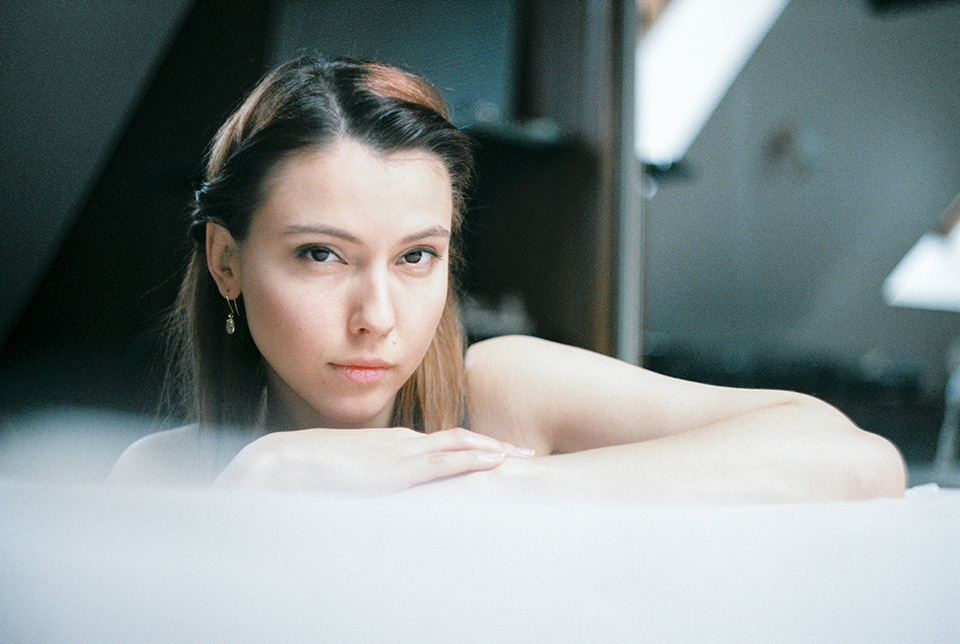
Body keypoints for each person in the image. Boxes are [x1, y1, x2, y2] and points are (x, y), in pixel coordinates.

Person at [109, 54, 906, 501]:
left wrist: (474, 491)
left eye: (416, 256)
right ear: (227, 261)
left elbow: (862, 461)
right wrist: (259, 482)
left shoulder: (496, 397)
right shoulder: (160, 479)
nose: (377, 316)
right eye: (322, 255)